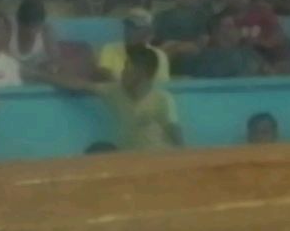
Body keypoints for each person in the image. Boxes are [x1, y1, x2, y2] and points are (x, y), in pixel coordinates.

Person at [34, 47, 182, 152]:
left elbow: (177, 138)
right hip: (129, 161)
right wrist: (39, 76)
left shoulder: (163, 100)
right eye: (124, 67)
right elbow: (79, 84)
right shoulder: (115, 90)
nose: (123, 72)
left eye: (129, 69)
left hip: (157, 161)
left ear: (143, 74)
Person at [183, 12, 262, 78]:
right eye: (228, 27)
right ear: (215, 32)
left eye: (236, 26)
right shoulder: (201, 59)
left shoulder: (250, 54)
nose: (234, 30)